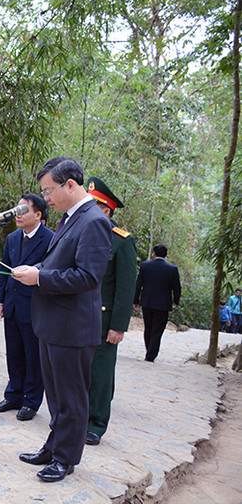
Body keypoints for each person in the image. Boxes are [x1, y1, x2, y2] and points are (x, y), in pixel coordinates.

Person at [12, 156, 112, 483]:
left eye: (49, 190)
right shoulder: (71, 217)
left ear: (71, 184)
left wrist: (39, 277)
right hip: (53, 323)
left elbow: (88, 277)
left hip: (72, 326)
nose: (48, 197)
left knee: (71, 396)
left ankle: (66, 459)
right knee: (55, 395)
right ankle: (54, 445)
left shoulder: (93, 220)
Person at [84, 177, 138, 446]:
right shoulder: (82, 232)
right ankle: (76, 418)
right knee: (78, 371)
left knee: (100, 373)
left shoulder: (121, 242)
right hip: (79, 316)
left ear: (106, 210)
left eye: (93, 205)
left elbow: (125, 289)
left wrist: (119, 326)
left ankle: (96, 423)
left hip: (104, 320)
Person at [0, 194, 52, 421]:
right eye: (17, 210)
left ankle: (31, 401)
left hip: (35, 306)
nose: (18, 215)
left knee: (33, 355)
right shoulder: (13, 238)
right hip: (12, 304)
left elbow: (49, 271)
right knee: (14, 353)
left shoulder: (50, 239)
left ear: (38, 215)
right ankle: (13, 395)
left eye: (24, 210)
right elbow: (5, 272)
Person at [133, 244, 182, 362]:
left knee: (148, 328)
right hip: (163, 304)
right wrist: (176, 300)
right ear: (166, 255)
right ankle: (151, 355)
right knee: (157, 330)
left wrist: (136, 300)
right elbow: (177, 287)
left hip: (147, 302)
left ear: (154, 254)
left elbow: (138, 284)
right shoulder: (172, 269)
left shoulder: (145, 266)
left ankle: (149, 351)